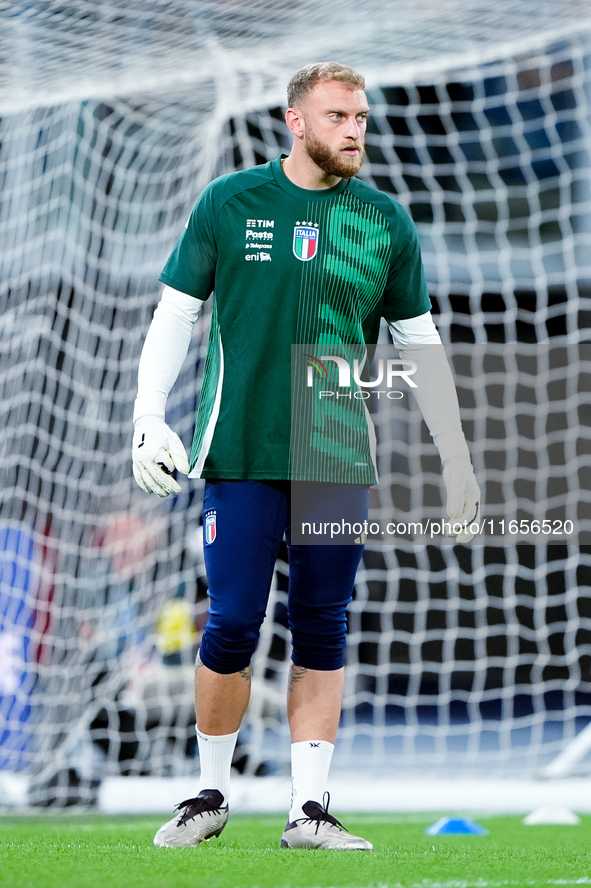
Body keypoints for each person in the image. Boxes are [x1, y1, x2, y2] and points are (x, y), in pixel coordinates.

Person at [132, 61, 480, 850]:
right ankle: (210, 795)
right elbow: (174, 314)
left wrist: (453, 454)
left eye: (360, 117)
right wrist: (148, 417)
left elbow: (416, 340)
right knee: (230, 623)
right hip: (241, 448)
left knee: (322, 624)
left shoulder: (384, 221)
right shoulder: (230, 202)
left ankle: (308, 810)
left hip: (333, 453)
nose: (353, 130)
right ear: (295, 122)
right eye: (336, 117)